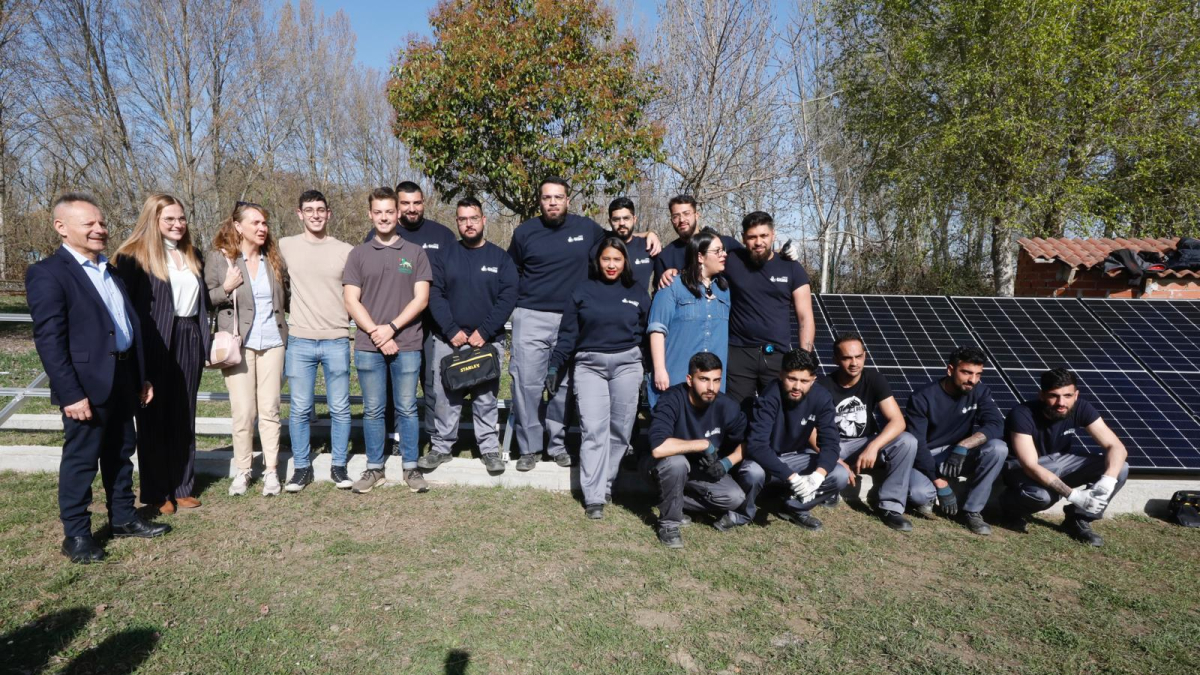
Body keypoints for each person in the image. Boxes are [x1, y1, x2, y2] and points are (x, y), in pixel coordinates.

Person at [27, 193, 167, 563]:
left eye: (101, 223)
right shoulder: (48, 273)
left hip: (122, 376)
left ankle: (123, 518)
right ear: (62, 227)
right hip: (85, 385)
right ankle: (76, 534)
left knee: (121, 454)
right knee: (82, 460)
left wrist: (141, 377)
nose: (99, 229)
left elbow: (124, 326)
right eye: (88, 224)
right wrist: (71, 393)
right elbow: (49, 340)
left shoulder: (112, 270)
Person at [507, 177, 660, 471]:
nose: (552, 202)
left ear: (568, 200)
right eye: (547, 197)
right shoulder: (525, 232)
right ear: (539, 201)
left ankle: (557, 444)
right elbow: (512, 272)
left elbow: (619, 235)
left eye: (558, 197)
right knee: (526, 384)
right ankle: (529, 448)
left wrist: (648, 233)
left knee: (563, 386)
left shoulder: (586, 228)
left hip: (573, 318)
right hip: (531, 315)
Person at [113, 194, 210, 514]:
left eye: (181, 218)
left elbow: (201, 304)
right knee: (153, 418)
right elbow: (123, 307)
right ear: (153, 220)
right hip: (153, 342)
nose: (177, 224)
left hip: (188, 338)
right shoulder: (132, 256)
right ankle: (157, 492)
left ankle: (182, 486)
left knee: (184, 414)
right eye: (169, 219)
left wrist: (204, 344)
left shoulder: (193, 254)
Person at [545, 237, 649, 518]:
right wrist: (555, 366)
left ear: (625, 261)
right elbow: (568, 334)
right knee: (593, 429)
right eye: (606, 259)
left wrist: (649, 372)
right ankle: (593, 497)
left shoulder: (637, 292)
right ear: (597, 261)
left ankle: (605, 485)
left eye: (617, 259)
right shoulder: (582, 291)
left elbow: (647, 336)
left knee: (620, 430)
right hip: (589, 366)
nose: (612, 265)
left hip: (627, 365)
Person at [418, 197, 517, 474]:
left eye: (474, 218)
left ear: (484, 220)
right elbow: (434, 294)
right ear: (457, 223)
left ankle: (488, 450)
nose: (468, 224)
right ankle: (441, 447)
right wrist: (452, 331)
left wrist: (483, 332)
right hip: (448, 341)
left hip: (487, 342)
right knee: (445, 397)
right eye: (462, 219)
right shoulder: (444, 256)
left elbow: (508, 297)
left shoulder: (500, 258)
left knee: (485, 397)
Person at [343, 187, 432, 494]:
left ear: (398, 214)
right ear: (370, 215)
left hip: (407, 344)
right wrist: (379, 335)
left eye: (389, 212)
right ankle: (374, 468)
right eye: (377, 212)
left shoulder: (415, 253)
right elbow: (351, 301)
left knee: (407, 408)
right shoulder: (358, 254)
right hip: (369, 347)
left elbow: (421, 299)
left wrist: (391, 328)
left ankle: (411, 467)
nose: (383, 217)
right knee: (373, 409)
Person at [205, 201, 289, 497]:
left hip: (274, 343)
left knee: (270, 410)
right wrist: (226, 287)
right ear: (238, 226)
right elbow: (206, 299)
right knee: (243, 412)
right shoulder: (220, 259)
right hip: (239, 346)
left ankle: (271, 472)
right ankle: (242, 471)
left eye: (264, 223)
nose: (262, 228)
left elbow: (286, 298)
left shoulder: (274, 259)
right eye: (255, 222)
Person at [365, 181, 457, 441]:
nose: (411, 208)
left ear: (424, 202)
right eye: (405, 203)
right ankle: (394, 436)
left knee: (432, 383)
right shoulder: (379, 237)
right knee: (394, 385)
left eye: (417, 202)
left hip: (433, 325)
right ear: (396, 207)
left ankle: (433, 436)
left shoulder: (443, 236)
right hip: (394, 327)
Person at [646, 352, 765, 548]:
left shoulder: (727, 406)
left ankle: (672, 500)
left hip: (699, 472)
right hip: (662, 466)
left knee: (734, 498)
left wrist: (727, 463)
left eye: (716, 380)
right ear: (690, 380)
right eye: (704, 379)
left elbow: (750, 441)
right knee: (677, 463)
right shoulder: (672, 399)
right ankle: (669, 524)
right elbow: (658, 449)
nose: (711, 387)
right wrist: (703, 445)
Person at [278, 190, 355, 491]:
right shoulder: (286, 246)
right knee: (298, 408)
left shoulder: (345, 250)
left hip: (336, 338)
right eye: (309, 209)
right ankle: (301, 467)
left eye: (320, 209)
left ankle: (339, 466)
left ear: (329, 213)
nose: (315, 214)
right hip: (300, 340)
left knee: (340, 408)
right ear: (299, 213)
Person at [1001, 368, 1130, 547]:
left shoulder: (1082, 407)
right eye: (1054, 396)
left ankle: (1078, 519)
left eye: (1067, 396)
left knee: (1120, 468)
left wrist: (1107, 480)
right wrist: (1073, 495)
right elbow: (1030, 465)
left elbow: (1116, 447)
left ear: (1076, 395)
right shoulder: (1022, 414)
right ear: (1041, 395)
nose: (1061, 403)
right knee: (1042, 497)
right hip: (1023, 468)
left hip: (1060, 461)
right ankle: (1008, 507)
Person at [814, 333, 917, 531]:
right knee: (810, 452)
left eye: (858, 356)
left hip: (865, 442)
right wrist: (835, 459)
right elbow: (812, 433)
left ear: (865, 356)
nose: (854, 363)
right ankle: (832, 486)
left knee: (907, 441)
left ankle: (891, 507)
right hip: (834, 444)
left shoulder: (874, 379)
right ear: (836, 359)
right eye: (847, 358)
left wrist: (873, 446)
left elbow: (897, 421)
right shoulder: (824, 386)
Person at [905, 347, 1007, 535]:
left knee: (998, 448)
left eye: (978, 374)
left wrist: (963, 445)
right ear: (950, 370)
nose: (972, 380)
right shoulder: (923, 397)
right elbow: (918, 444)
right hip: (930, 454)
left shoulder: (980, 391)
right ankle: (930, 494)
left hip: (959, 453)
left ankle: (972, 511)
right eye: (967, 372)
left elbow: (996, 424)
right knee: (918, 495)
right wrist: (940, 484)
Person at [746, 349, 846, 531]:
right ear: (781, 375)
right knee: (752, 472)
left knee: (840, 474)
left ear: (813, 380)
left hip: (796, 457)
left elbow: (830, 443)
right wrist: (791, 477)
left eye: (804, 381)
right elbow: (757, 445)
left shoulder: (822, 398)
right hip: (767, 460)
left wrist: (818, 475)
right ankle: (744, 513)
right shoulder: (770, 396)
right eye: (792, 379)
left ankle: (795, 507)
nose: (797, 387)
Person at [721, 211, 816, 403]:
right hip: (739, 353)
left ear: (773, 235)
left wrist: (803, 358)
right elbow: (702, 243)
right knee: (736, 416)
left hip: (777, 355)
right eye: (752, 237)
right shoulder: (731, 261)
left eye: (764, 236)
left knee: (778, 414)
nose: (758, 242)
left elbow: (805, 317)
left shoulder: (792, 268)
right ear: (743, 239)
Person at [647, 230, 730, 408]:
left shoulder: (724, 290)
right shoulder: (672, 286)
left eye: (723, 250)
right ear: (700, 257)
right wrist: (660, 370)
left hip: (712, 387)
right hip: (676, 379)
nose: (724, 255)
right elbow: (656, 329)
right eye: (718, 251)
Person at [652, 195, 742, 289]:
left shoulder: (726, 243)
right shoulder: (665, 256)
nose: (682, 220)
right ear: (671, 221)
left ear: (696, 215)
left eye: (686, 213)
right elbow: (659, 294)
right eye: (676, 216)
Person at [606, 197, 655, 289]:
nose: (622, 223)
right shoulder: (600, 249)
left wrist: (650, 233)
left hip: (641, 303)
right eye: (616, 219)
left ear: (634, 219)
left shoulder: (649, 247)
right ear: (610, 222)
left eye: (626, 218)